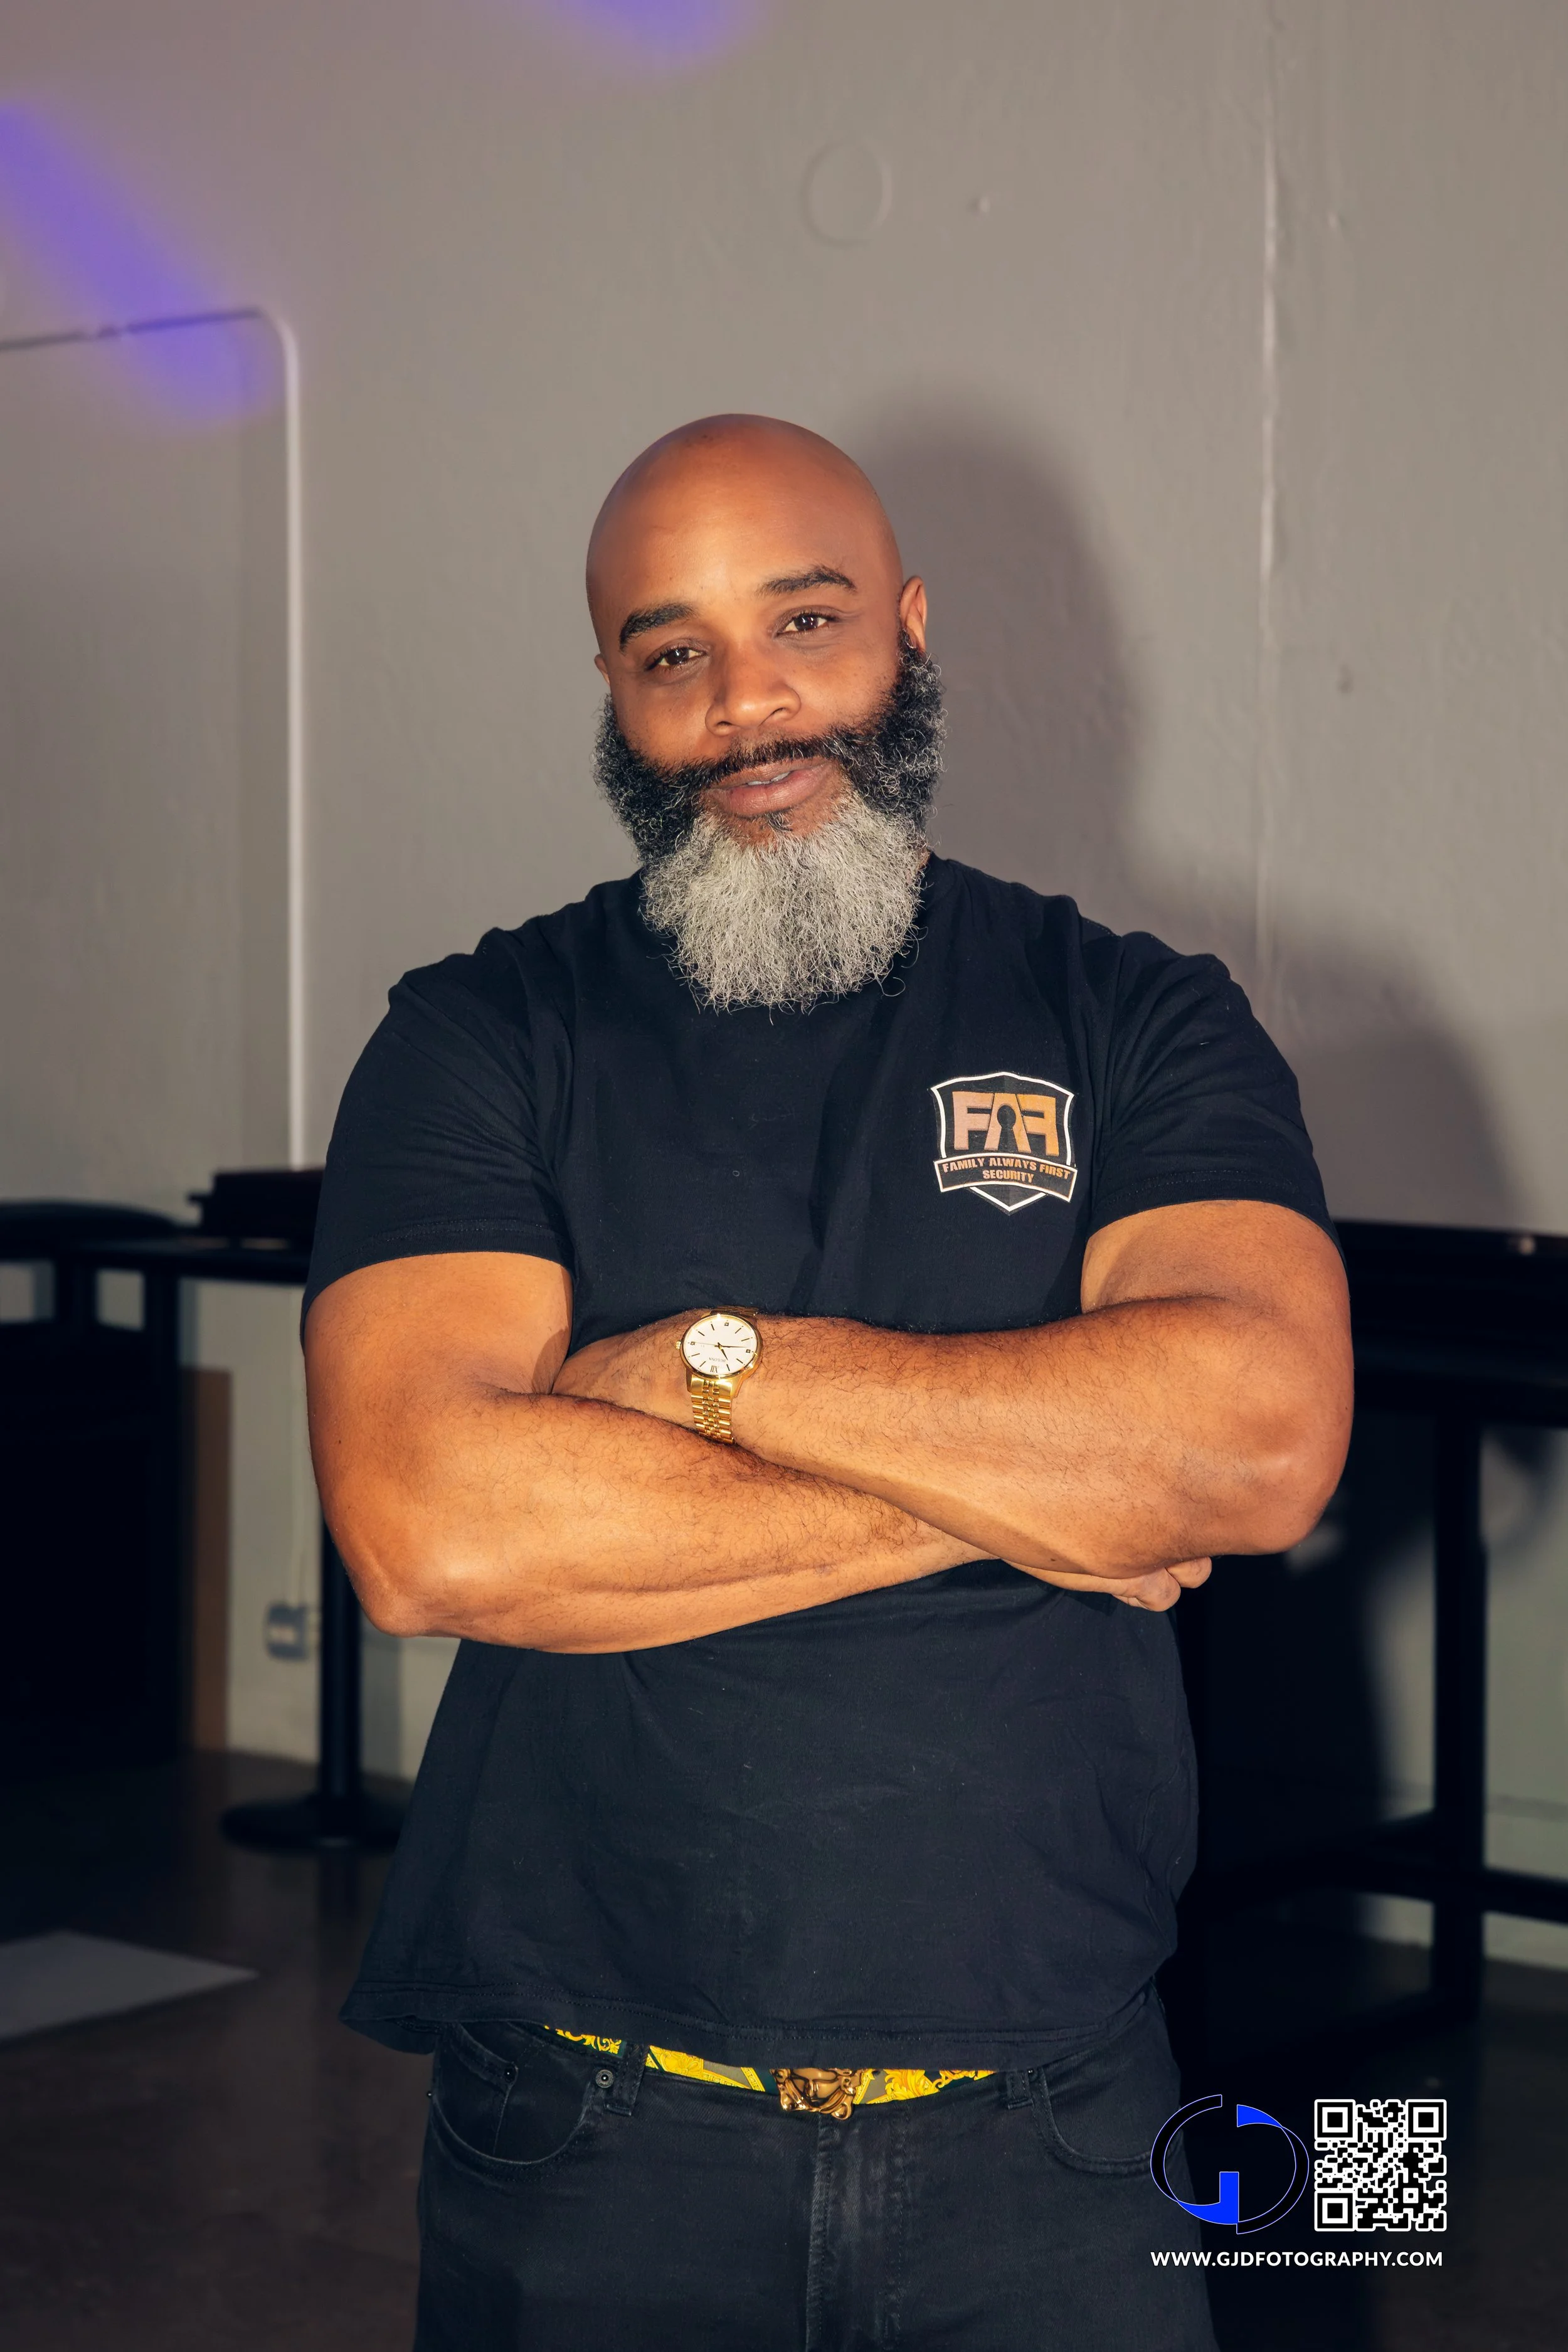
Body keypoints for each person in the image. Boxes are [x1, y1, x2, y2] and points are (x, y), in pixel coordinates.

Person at [303, 415, 1352, 2351]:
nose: (748, 704)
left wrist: (708, 1372)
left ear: (912, 632)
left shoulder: (1136, 1015)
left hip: (1054, 2118)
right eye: (669, 648)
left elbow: (1256, 1440)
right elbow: (429, 1525)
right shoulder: (479, 1034)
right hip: (592, 2116)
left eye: (805, 621)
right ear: (614, 693)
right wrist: (1038, 1491)